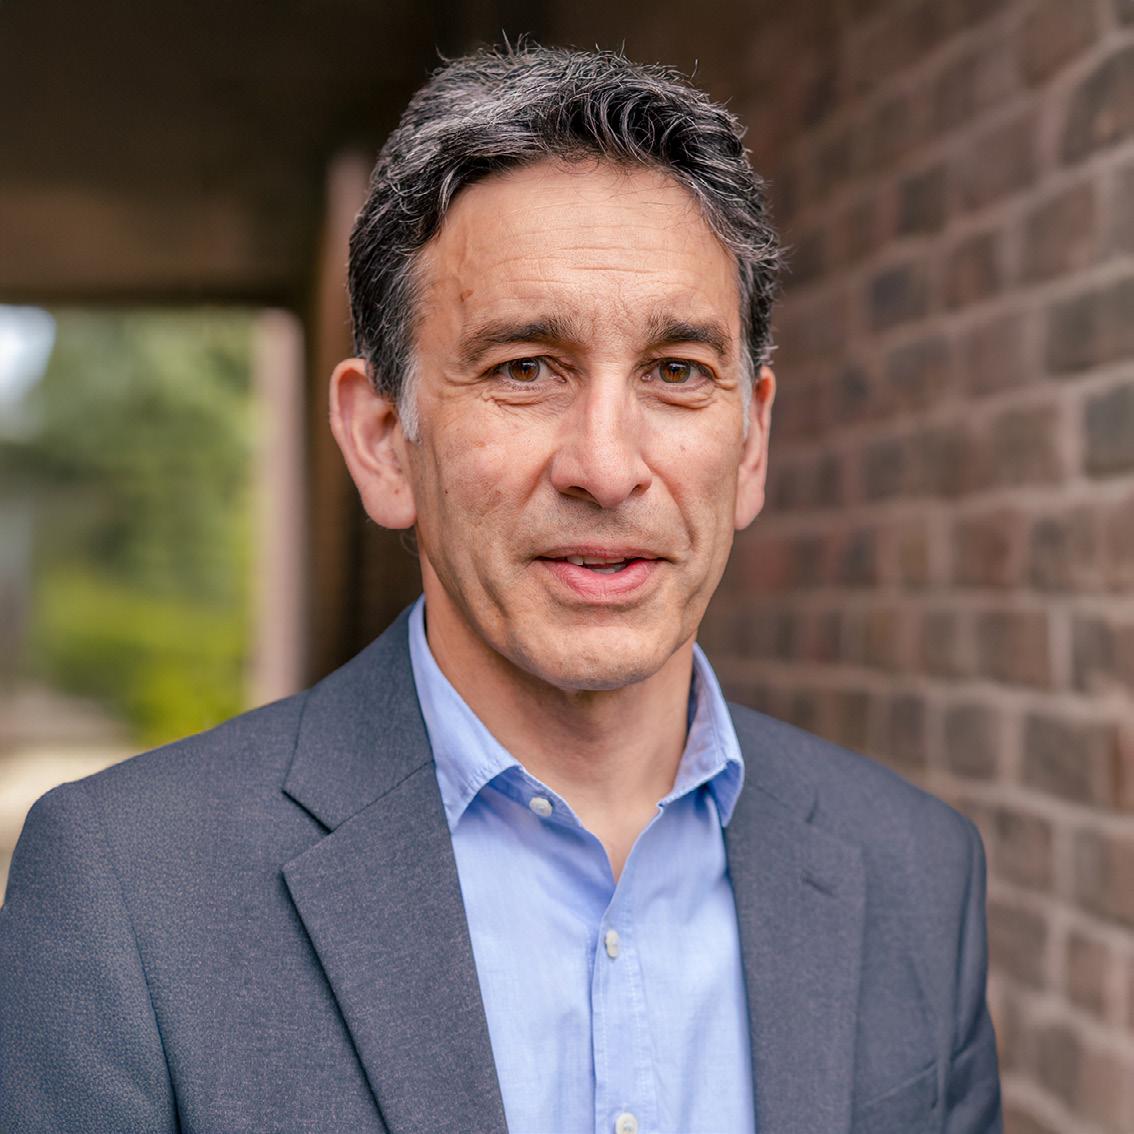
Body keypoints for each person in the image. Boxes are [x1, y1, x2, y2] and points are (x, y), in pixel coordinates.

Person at [0, 45, 1002, 1134]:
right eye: (525, 367)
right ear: (382, 440)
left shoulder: (917, 875)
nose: (606, 467)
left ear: (752, 442)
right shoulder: (128, 896)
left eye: (676, 371)